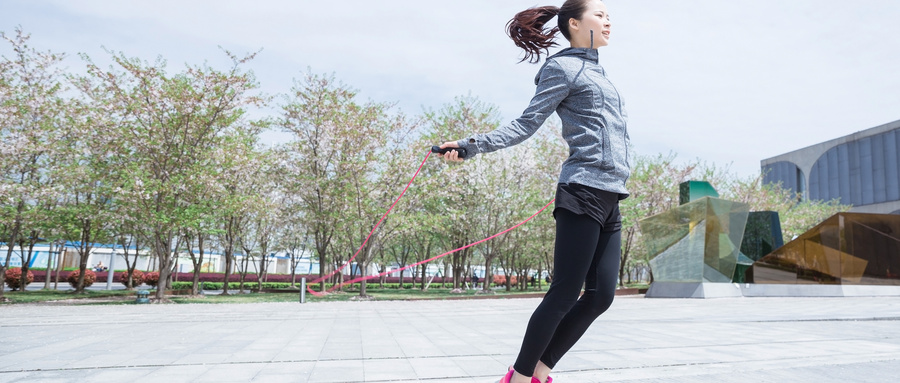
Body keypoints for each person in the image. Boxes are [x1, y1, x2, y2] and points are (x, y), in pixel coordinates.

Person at [437, 1, 629, 382]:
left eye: (609, 16)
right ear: (574, 24)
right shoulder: (562, 68)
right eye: (600, 15)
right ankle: (521, 377)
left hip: (611, 196)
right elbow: (526, 124)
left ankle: (538, 372)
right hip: (583, 190)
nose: (608, 21)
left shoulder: (599, 72)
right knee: (564, 293)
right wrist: (471, 145)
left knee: (601, 296)